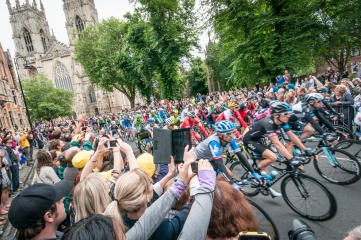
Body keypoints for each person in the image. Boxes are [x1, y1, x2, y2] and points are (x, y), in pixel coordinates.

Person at [243, 102, 315, 196]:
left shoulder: (282, 122)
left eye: (289, 113)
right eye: (285, 114)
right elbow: (276, 143)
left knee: (265, 164)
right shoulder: (269, 123)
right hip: (250, 139)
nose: (289, 116)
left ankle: (264, 184)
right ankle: (253, 173)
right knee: (272, 157)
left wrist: (305, 150)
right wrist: (291, 158)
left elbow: (292, 136)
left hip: (260, 139)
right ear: (276, 115)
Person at [195, 120, 262, 190]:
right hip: (199, 159)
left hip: (211, 158)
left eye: (233, 132)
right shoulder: (214, 142)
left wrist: (253, 172)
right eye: (228, 133)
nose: (232, 136)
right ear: (220, 134)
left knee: (230, 175)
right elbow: (219, 163)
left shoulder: (231, 140)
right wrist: (232, 183)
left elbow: (241, 156)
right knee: (208, 181)